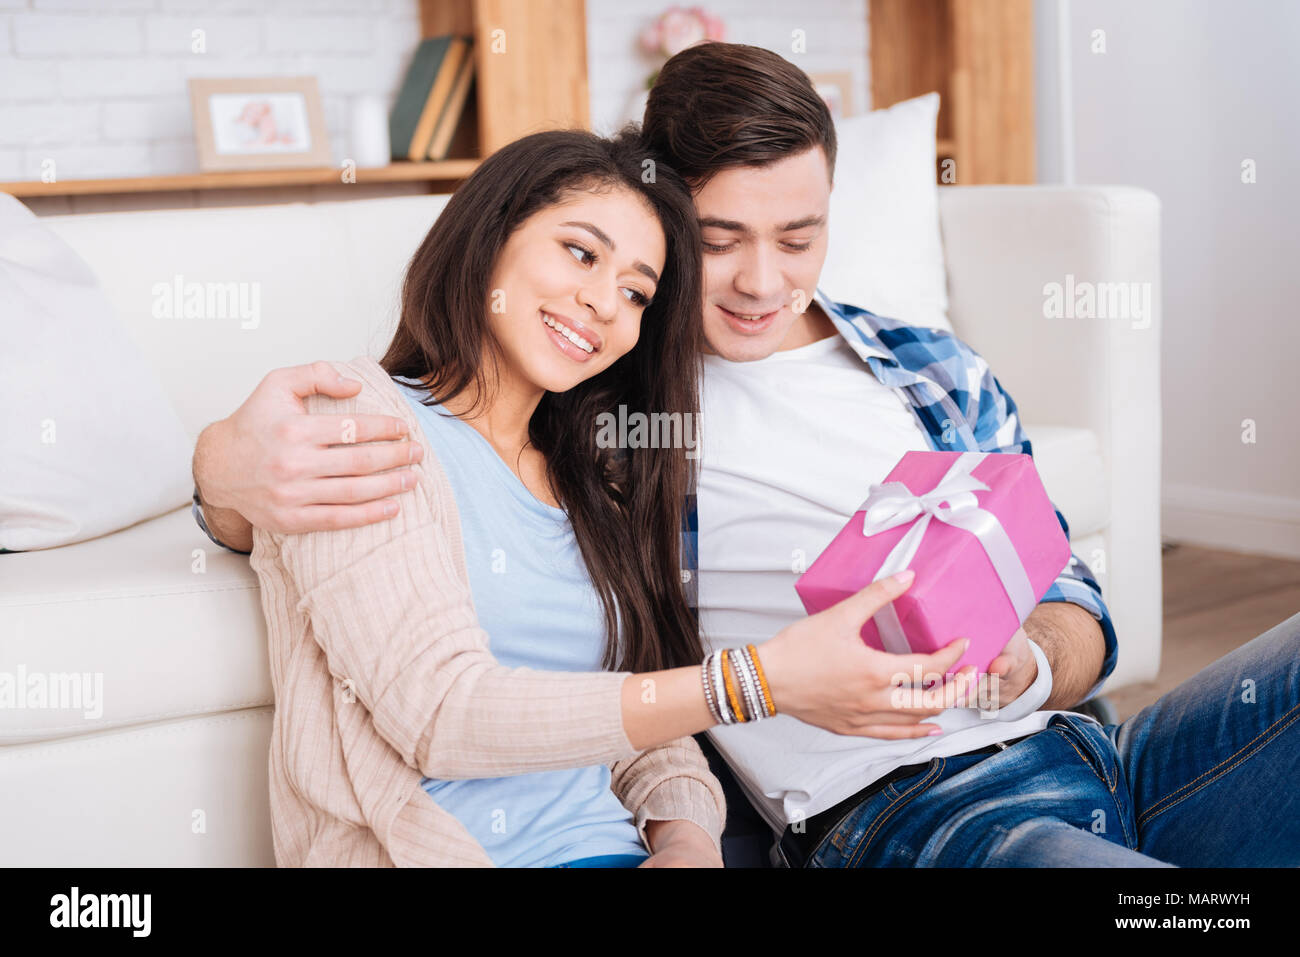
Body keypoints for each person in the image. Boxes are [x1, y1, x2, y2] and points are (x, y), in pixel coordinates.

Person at [195, 45, 1300, 867]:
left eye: (799, 238)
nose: (763, 283)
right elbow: (440, 561)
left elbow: (1068, 590)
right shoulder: (606, 413)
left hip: (1096, 750)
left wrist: (1025, 661)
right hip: (918, 813)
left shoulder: (927, 362)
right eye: (718, 243)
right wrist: (222, 477)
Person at [233, 126, 976, 869]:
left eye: (635, 293)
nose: (601, 303)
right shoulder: (360, 417)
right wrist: (755, 681)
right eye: (580, 253)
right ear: (491, 235)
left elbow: (639, 724)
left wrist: (685, 837)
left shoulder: (595, 475)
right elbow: (440, 714)